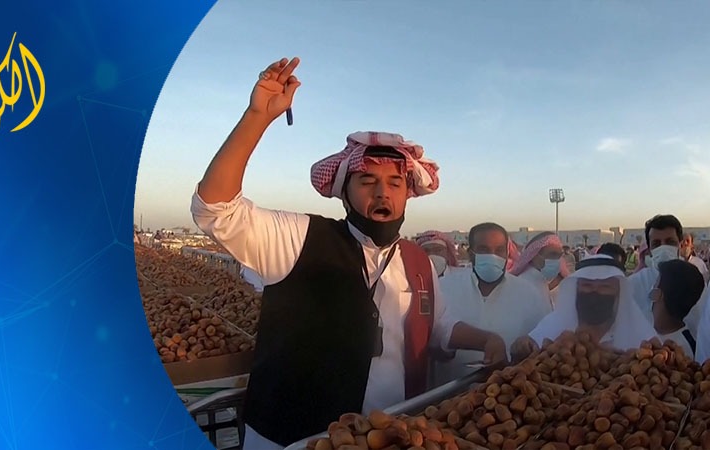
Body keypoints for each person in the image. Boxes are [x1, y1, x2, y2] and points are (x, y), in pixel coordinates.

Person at [190, 57, 508, 449]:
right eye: (367, 181)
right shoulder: (299, 238)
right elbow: (215, 209)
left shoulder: (417, 261)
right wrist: (257, 117)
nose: (382, 193)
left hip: (387, 436)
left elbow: (437, 326)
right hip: (290, 440)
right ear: (344, 191)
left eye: (395, 183)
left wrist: (485, 338)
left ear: (407, 194)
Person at [434, 223, 551, 385]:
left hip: (507, 392)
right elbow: (432, 338)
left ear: (507, 253)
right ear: (471, 254)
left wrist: (524, 352)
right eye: (484, 250)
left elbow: (543, 345)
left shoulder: (529, 294)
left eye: (499, 250)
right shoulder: (444, 287)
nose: (493, 256)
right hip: (448, 392)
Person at [510, 254, 657, 361]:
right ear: (576, 288)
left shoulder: (640, 333)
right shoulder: (554, 323)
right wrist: (522, 346)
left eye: (605, 287)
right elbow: (529, 346)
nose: (595, 292)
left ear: (618, 292)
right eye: (587, 285)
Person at [627, 215, 705, 335]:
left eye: (670, 242)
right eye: (656, 244)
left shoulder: (694, 280)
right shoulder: (634, 283)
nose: (663, 248)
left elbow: (702, 324)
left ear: (680, 244)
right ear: (649, 249)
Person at [648, 259, 705, 358]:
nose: (652, 287)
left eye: (655, 284)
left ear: (658, 294)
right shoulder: (645, 327)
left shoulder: (686, 351)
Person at [510, 231, 570, 309]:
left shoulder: (541, 281)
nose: (557, 260)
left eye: (559, 255)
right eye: (553, 254)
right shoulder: (523, 285)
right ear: (534, 256)